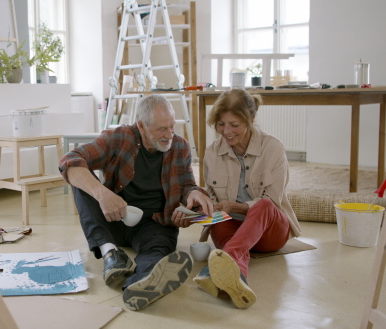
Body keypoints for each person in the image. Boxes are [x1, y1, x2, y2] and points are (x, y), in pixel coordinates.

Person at [59, 94, 213, 311]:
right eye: (161, 129)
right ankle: (111, 253)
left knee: (157, 252)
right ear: (141, 125)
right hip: (113, 219)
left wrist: (194, 194)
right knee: (80, 180)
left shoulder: (180, 146)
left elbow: (187, 185)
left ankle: (141, 284)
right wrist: (103, 194)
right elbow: (69, 161)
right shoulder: (119, 138)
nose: (169, 134)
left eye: (172, 126)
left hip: (154, 224)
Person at [193, 87, 302, 309]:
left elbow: (271, 201)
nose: (226, 131)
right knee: (219, 222)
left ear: (251, 119)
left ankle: (218, 269)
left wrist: (237, 206)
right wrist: (195, 212)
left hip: (270, 233)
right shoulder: (213, 153)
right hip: (232, 230)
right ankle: (238, 275)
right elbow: (213, 200)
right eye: (221, 124)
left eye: (235, 125)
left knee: (263, 205)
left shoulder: (273, 148)